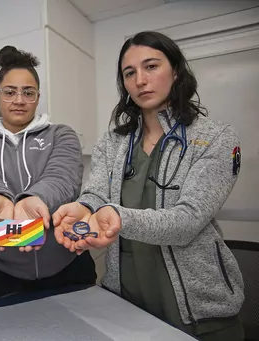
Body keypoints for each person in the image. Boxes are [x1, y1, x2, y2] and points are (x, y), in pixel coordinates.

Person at [53, 31, 245, 340]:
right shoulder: (112, 142)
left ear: (176, 71)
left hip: (198, 312)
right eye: (130, 73)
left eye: (151, 66)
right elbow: (96, 193)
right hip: (126, 301)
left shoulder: (214, 138)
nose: (140, 79)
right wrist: (82, 208)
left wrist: (116, 217)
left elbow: (187, 221)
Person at [0, 45, 97, 305]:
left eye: (28, 92)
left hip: (65, 262)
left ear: (37, 97)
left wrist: (35, 199)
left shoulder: (61, 134)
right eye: (10, 92)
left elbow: (62, 177)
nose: (19, 100)